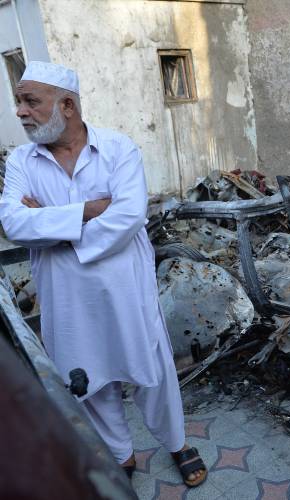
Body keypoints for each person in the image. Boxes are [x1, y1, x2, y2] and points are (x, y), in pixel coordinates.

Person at [0, 61, 206, 487]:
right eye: (19, 101)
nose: (19, 111)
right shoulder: (22, 160)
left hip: (124, 285)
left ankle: (176, 442)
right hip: (66, 292)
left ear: (68, 106)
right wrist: (89, 210)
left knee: (150, 368)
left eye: (30, 101)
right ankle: (121, 454)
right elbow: (14, 224)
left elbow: (130, 215)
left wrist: (53, 224)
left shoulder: (118, 148)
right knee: (86, 374)